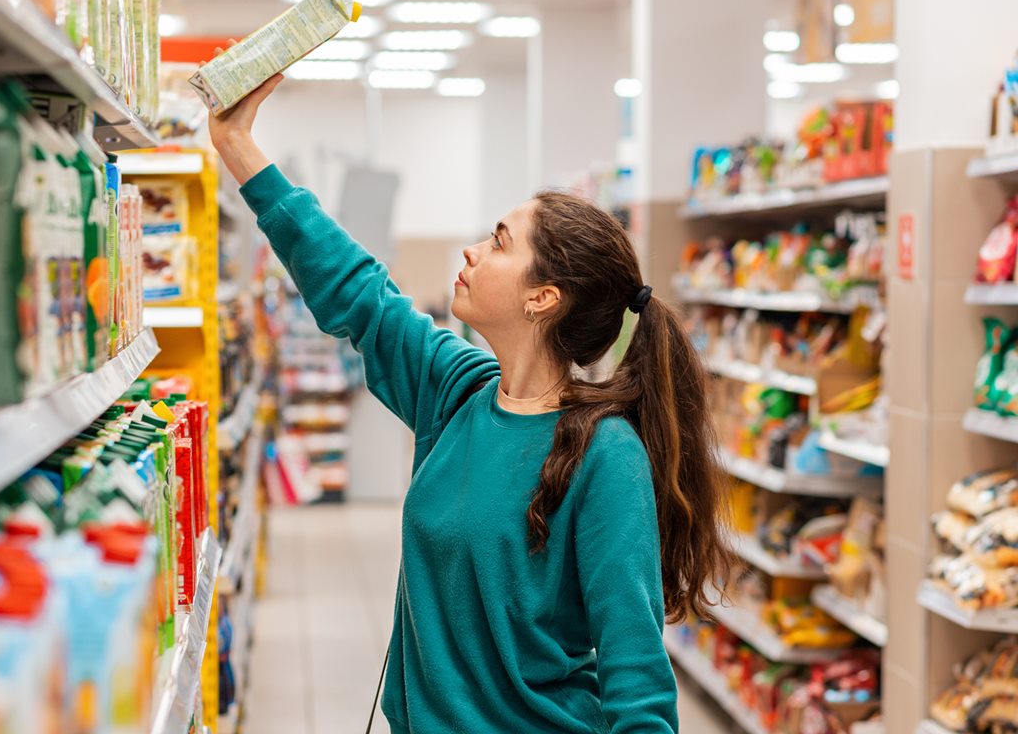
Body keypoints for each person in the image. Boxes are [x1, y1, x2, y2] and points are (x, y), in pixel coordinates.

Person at [206, 43, 732, 734]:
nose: (471, 251)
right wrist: (238, 146)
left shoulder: (604, 457)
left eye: (499, 241)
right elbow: (359, 292)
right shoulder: (457, 393)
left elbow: (636, 676)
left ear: (543, 297)